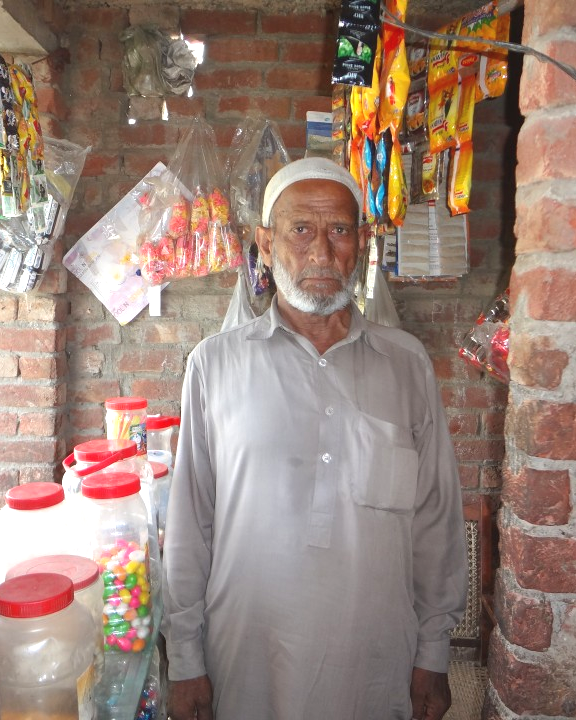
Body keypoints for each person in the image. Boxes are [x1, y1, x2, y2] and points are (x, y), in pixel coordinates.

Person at [162, 157, 468, 720]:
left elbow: (436, 521)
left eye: (339, 231)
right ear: (265, 242)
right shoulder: (215, 365)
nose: (322, 253)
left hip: (377, 663)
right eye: (301, 229)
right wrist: (185, 658)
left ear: (363, 242)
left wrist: (434, 650)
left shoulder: (406, 365)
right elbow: (189, 525)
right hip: (247, 658)